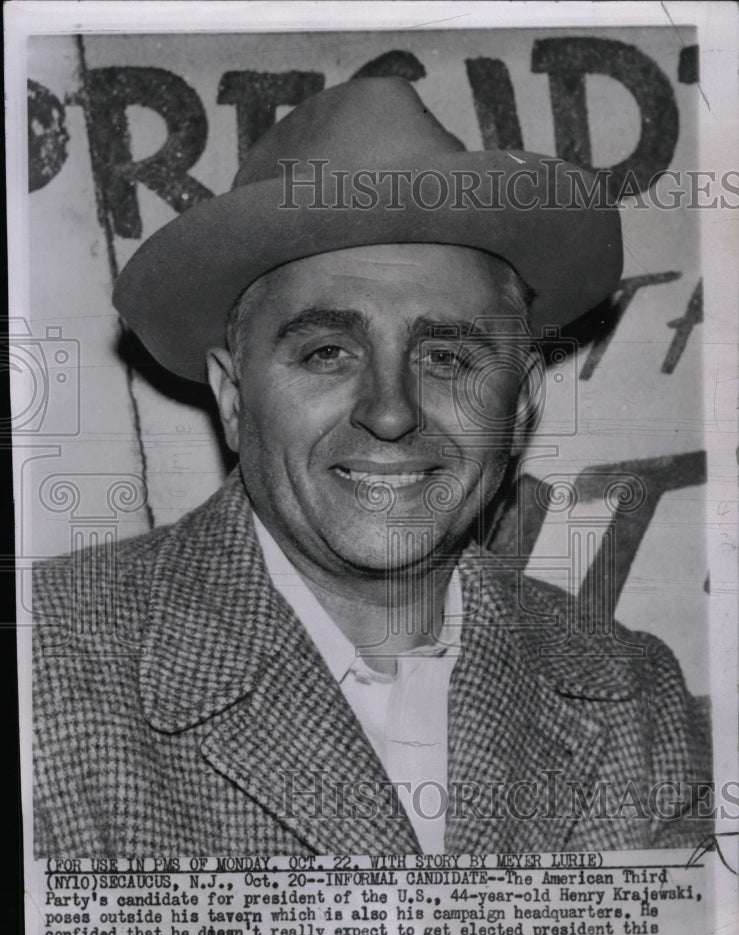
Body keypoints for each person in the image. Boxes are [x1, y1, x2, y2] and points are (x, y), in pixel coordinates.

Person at [33, 77, 710, 857]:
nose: (390, 411)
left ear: (520, 403)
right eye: (328, 353)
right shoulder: (47, 665)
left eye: (447, 355)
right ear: (232, 394)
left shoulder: (634, 699)